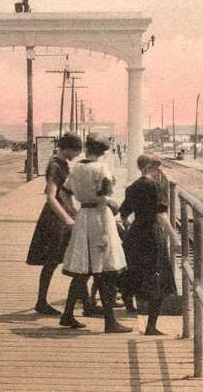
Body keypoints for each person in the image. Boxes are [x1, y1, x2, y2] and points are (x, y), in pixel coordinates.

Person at [59, 134, 131, 333]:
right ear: (102, 152)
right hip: (100, 218)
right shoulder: (101, 168)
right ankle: (110, 322)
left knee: (84, 269)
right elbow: (105, 194)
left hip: (84, 216)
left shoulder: (76, 168)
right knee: (106, 269)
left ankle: (67, 314)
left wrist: (73, 210)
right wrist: (111, 203)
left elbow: (64, 192)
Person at [119, 154, 177, 336]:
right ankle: (151, 327)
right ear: (153, 167)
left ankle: (130, 308)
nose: (158, 170)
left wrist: (131, 227)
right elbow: (161, 215)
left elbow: (123, 215)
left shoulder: (133, 187)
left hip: (136, 234)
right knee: (157, 277)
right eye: (157, 167)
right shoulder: (156, 186)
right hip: (152, 235)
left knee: (133, 272)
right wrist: (174, 238)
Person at [26, 134, 83, 315]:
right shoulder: (55, 165)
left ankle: (84, 299)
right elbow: (51, 197)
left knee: (75, 258)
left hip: (66, 213)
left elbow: (68, 190)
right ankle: (41, 302)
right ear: (66, 148)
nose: (77, 154)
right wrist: (67, 219)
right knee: (52, 260)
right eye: (75, 151)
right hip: (56, 218)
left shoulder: (63, 164)